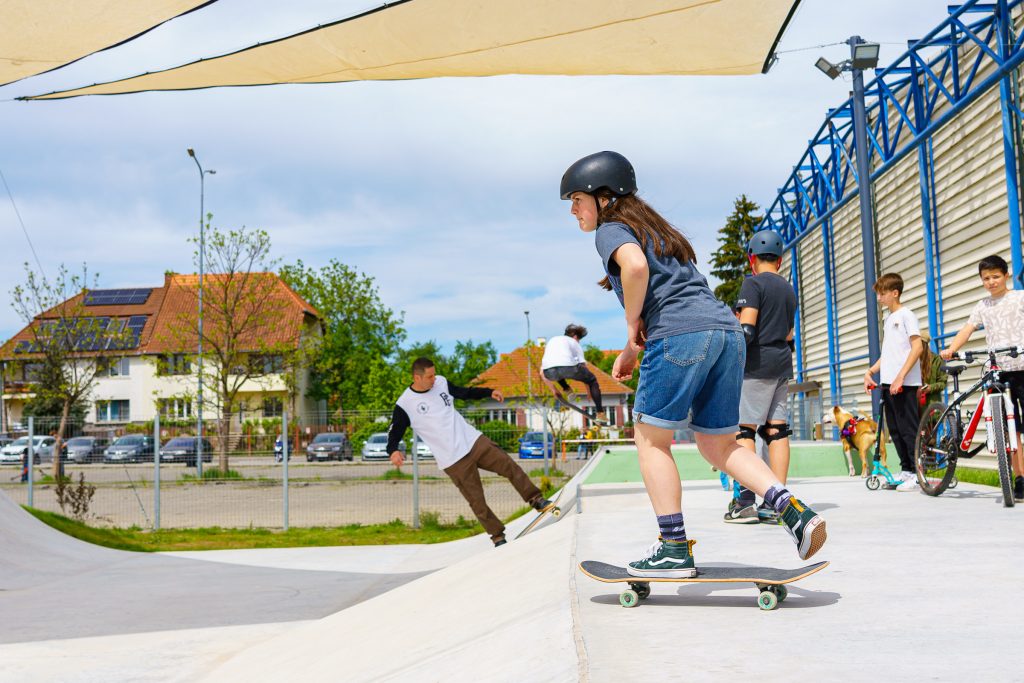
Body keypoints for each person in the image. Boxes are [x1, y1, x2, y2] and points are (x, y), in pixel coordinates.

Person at [560, 150, 827, 577]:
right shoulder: (659, 232)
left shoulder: (611, 229)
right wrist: (633, 346)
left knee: (651, 441)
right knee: (719, 443)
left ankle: (672, 548)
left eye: (576, 199)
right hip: (725, 334)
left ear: (603, 197)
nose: (572, 209)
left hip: (681, 335)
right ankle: (793, 510)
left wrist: (632, 329)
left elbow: (634, 267)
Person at [387, 357, 555, 546]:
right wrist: (392, 450)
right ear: (417, 378)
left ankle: (536, 500)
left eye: (434, 375)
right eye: (430, 377)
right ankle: (497, 536)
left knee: (508, 465)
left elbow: (464, 392)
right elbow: (395, 431)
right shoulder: (405, 404)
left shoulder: (441, 382)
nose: (434, 379)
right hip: (452, 459)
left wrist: (489, 392)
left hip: (473, 441)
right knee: (476, 500)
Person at [724, 229, 798, 525]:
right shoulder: (788, 289)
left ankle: (744, 501)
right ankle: (778, 503)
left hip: (756, 366)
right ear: (779, 261)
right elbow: (790, 334)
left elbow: (747, 330)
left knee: (744, 431)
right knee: (776, 431)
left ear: (751, 259)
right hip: (782, 364)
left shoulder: (752, 284)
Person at [939, 254, 1024, 502]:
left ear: (1006, 275)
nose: (991, 282)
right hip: (998, 370)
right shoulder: (982, 305)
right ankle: (1019, 479)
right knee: (1011, 430)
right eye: (986, 278)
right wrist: (951, 348)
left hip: (1022, 367)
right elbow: (968, 328)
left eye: (996, 276)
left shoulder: (1019, 298)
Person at [862, 273, 923, 491]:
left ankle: (918, 473)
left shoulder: (907, 315)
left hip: (904, 383)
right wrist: (870, 371)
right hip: (889, 383)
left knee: (909, 429)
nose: (879, 298)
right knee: (895, 430)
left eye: (882, 293)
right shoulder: (888, 320)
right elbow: (888, 354)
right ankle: (906, 469)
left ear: (894, 293)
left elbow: (917, 347)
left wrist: (901, 376)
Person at [540, 324, 604, 416]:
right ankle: (600, 413)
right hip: (568, 368)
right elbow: (583, 367)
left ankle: (566, 389)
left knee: (556, 370)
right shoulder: (574, 342)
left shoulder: (553, 340)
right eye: (579, 340)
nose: (579, 342)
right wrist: (589, 391)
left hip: (548, 372)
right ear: (575, 337)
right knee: (592, 380)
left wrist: (554, 390)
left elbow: (542, 373)